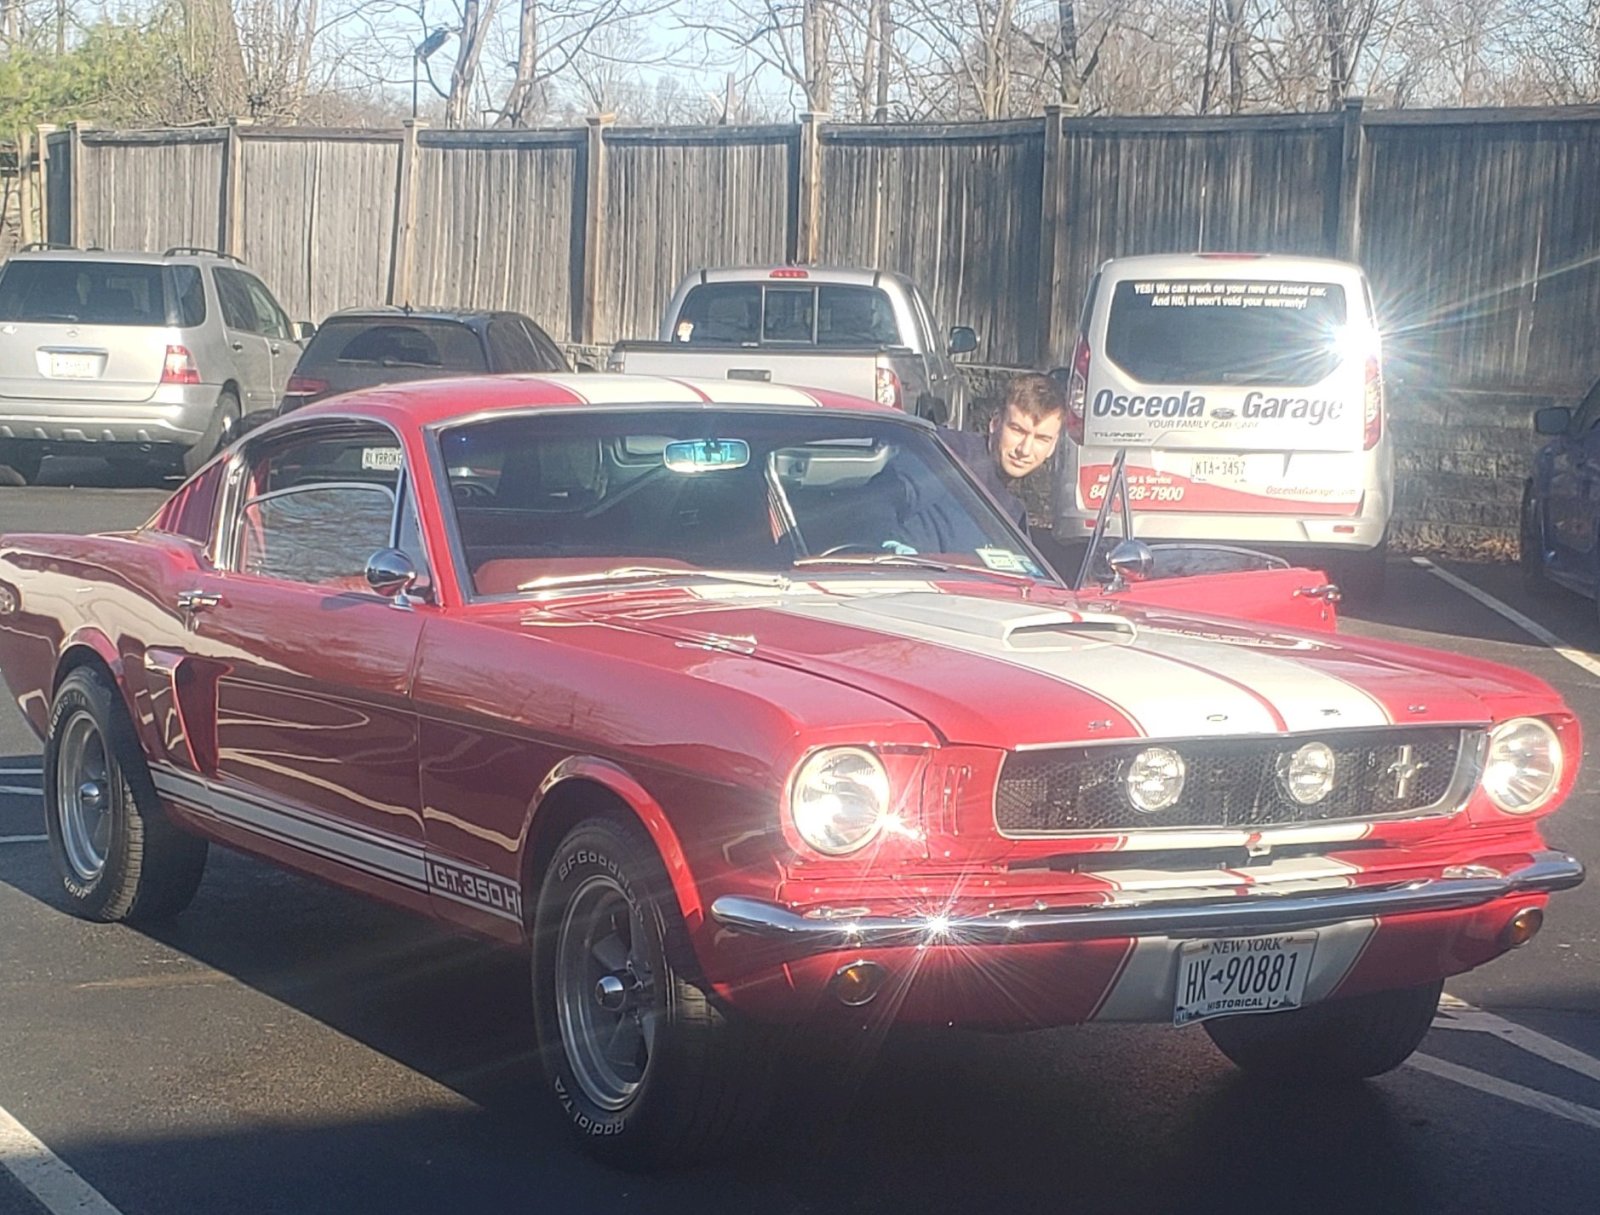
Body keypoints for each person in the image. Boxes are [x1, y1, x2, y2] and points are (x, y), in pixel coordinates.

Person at [939, 373, 1067, 533]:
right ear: (995, 423)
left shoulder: (1014, 516)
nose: (1024, 450)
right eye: (1017, 431)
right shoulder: (947, 453)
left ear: (1053, 446)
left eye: (1041, 439)